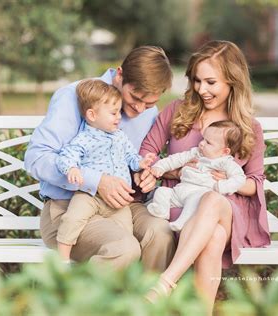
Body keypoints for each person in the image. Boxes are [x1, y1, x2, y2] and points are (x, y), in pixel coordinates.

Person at [139, 40, 271, 313]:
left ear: (232, 81)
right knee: (212, 235)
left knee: (211, 200)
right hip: (180, 207)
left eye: (211, 82)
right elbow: (148, 152)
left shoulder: (248, 127)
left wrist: (219, 182)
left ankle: (165, 282)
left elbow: (255, 183)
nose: (202, 89)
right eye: (197, 80)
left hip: (224, 206)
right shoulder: (178, 110)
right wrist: (175, 171)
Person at [24, 46, 176, 270]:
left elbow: (136, 159)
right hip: (70, 208)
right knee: (124, 248)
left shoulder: (148, 114)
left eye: (149, 103)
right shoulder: (74, 97)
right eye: (135, 97)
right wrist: (97, 181)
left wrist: (145, 175)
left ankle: (146, 303)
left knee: (161, 235)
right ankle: (79, 303)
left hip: (125, 207)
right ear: (120, 74)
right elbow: (36, 159)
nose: (140, 108)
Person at [55, 79, 155, 263]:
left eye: (119, 112)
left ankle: (119, 273)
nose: (119, 117)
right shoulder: (84, 139)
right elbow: (67, 155)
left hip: (118, 201)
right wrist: (71, 168)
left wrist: (141, 163)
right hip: (90, 196)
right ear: (92, 115)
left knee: (125, 234)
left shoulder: (120, 137)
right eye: (114, 113)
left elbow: (131, 157)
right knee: (73, 218)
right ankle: (62, 259)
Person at [147, 120, 246, 232]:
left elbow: (239, 178)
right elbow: (176, 159)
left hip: (199, 194)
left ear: (225, 151)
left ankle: (182, 223)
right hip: (179, 191)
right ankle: (161, 212)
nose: (201, 143)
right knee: (162, 191)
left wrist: (222, 186)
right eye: (203, 139)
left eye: (208, 143)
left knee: (193, 201)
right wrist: (160, 167)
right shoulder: (196, 153)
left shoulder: (225, 163)